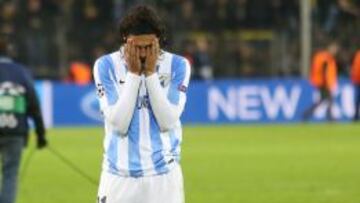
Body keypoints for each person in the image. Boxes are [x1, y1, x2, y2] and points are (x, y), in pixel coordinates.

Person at [93, 5, 191, 203]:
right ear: (125, 40)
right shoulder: (106, 66)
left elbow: (168, 122)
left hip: (164, 178)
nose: (144, 53)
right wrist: (134, 74)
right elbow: (119, 125)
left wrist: (151, 74)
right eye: (137, 46)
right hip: (118, 176)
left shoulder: (178, 65)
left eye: (149, 46)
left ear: (159, 40)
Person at [0, 34, 47, 203]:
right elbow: (34, 105)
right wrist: (40, 134)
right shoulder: (21, 72)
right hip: (15, 131)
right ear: (11, 52)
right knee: (10, 174)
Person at [302, 41, 339, 121]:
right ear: (329, 48)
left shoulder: (322, 57)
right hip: (323, 83)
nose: (335, 51)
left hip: (321, 82)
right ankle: (330, 116)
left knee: (323, 100)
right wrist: (328, 84)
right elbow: (325, 72)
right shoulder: (326, 58)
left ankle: (307, 113)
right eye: (334, 49)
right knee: (329, 99)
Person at [351, 49, 360, 121]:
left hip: (356, 81)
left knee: (357, 99)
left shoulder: (357, 54)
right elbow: (355, 68)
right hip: (357, 81)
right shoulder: (357, 54)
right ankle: (356, 116)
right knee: (356, 100)